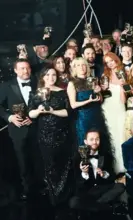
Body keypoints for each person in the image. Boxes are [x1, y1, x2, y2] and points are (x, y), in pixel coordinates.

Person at [28, 66, 74, 208]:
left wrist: (53, 111)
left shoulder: (62, 92)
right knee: (50, 165)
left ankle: (65, 196)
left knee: (64, 163)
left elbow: (68, 112)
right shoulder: (36, 93)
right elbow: (30, 114)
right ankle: (54, 197)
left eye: (54, 75)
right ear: (43, 77)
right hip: (45, 134)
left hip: (62, 134)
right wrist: (38, 111)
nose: (51, 77)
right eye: (48, 75)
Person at [0, 59, 37, 200]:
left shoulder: (37, 83)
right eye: (22, 68)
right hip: (17, 129)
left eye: (27, 68)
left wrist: (34, 117)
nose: (25, 71)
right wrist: (10, 117)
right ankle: (27, 189)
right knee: (22, 160)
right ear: (15, 70)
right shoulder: (7, 86)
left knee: (37, 158)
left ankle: (42, 186)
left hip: (37, 127)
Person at [69, 129, 126, 214]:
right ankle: (108, 208)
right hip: (87, 192)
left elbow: (112, 176)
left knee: (120, 186)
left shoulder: (106, 155)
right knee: (73, 202)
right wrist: (84, 173)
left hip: (102, 189)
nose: (94, 142)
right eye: (91, 139)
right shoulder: (78, 157)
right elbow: (77, 182)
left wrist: (104, 174)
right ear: (86, 141)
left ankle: (94, 207)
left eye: (97, 139)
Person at [67, 58, 109, 148]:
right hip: (83, 119)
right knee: (85, 144)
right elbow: (73, 105)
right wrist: (88, 101)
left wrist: (98, 92)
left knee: (100, 144)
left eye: (83, 65)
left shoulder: (92, 80)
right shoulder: (72, 83)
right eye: (78, 65)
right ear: (74, 68)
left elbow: (100, 100)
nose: (81, 67)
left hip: (97, 116)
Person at [101, 52, 127, 173]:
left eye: (111, 60)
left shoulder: (124, 73)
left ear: (116, 59)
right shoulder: (105, 75)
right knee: (111, 137)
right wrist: (102, 89)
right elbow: (102, 96)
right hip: (107, 108)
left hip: (120, 107)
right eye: (107, 62)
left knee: (121, 136)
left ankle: (123, 166)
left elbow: (124, 100)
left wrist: (122, 86)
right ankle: (113, 168)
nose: (110, 64)